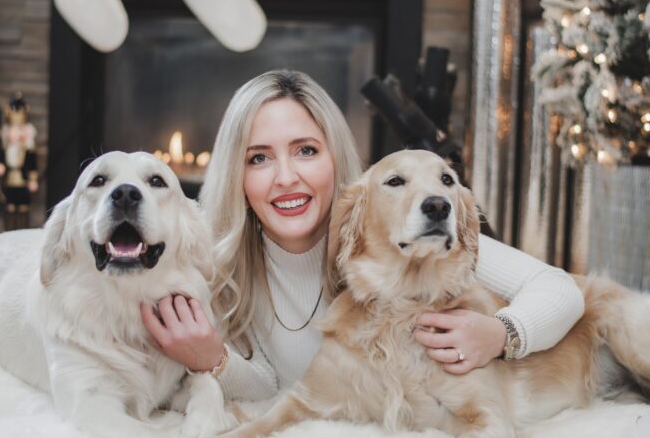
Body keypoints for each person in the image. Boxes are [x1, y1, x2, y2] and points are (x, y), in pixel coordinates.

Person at [140, 70, 584, 402]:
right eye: (259, 159)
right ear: (237, 175)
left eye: (306, 151)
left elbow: (559, 288)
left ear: (335, 157)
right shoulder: (225, 266)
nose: (286, 178)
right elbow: (269, 391)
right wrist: (212, 358)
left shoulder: (394, 232)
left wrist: (501, 333)